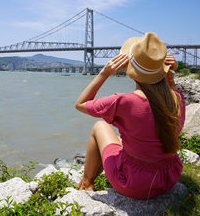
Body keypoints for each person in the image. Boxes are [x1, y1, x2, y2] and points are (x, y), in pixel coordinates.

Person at [75, 32, 185, 199]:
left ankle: (87, 183)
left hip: (133, 183)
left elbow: (80, 104)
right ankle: (88, 181)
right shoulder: (177, 98)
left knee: (100, 126)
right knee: (121, 139)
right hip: (167, 178)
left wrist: (104, 73)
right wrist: (168, 76)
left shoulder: (123, 102)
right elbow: (168, 93)